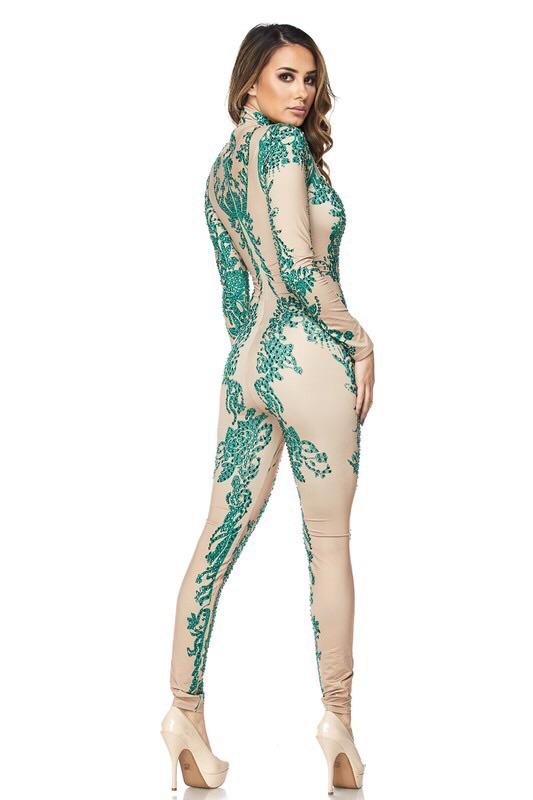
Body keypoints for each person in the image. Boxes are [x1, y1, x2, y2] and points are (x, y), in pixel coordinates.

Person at [160, 23, 375, 793]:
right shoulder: (284, 150)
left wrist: (257, 358)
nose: (302, 92)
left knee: (216, 538)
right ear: (249, 79)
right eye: (286, 75)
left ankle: (183, 714)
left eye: (309, 79)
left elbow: (234, 296)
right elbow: (296, 265)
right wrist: (356, 340)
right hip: (308, 356)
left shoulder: (219, 172)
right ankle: (338, 724)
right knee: (328, 542)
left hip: (249, 362)